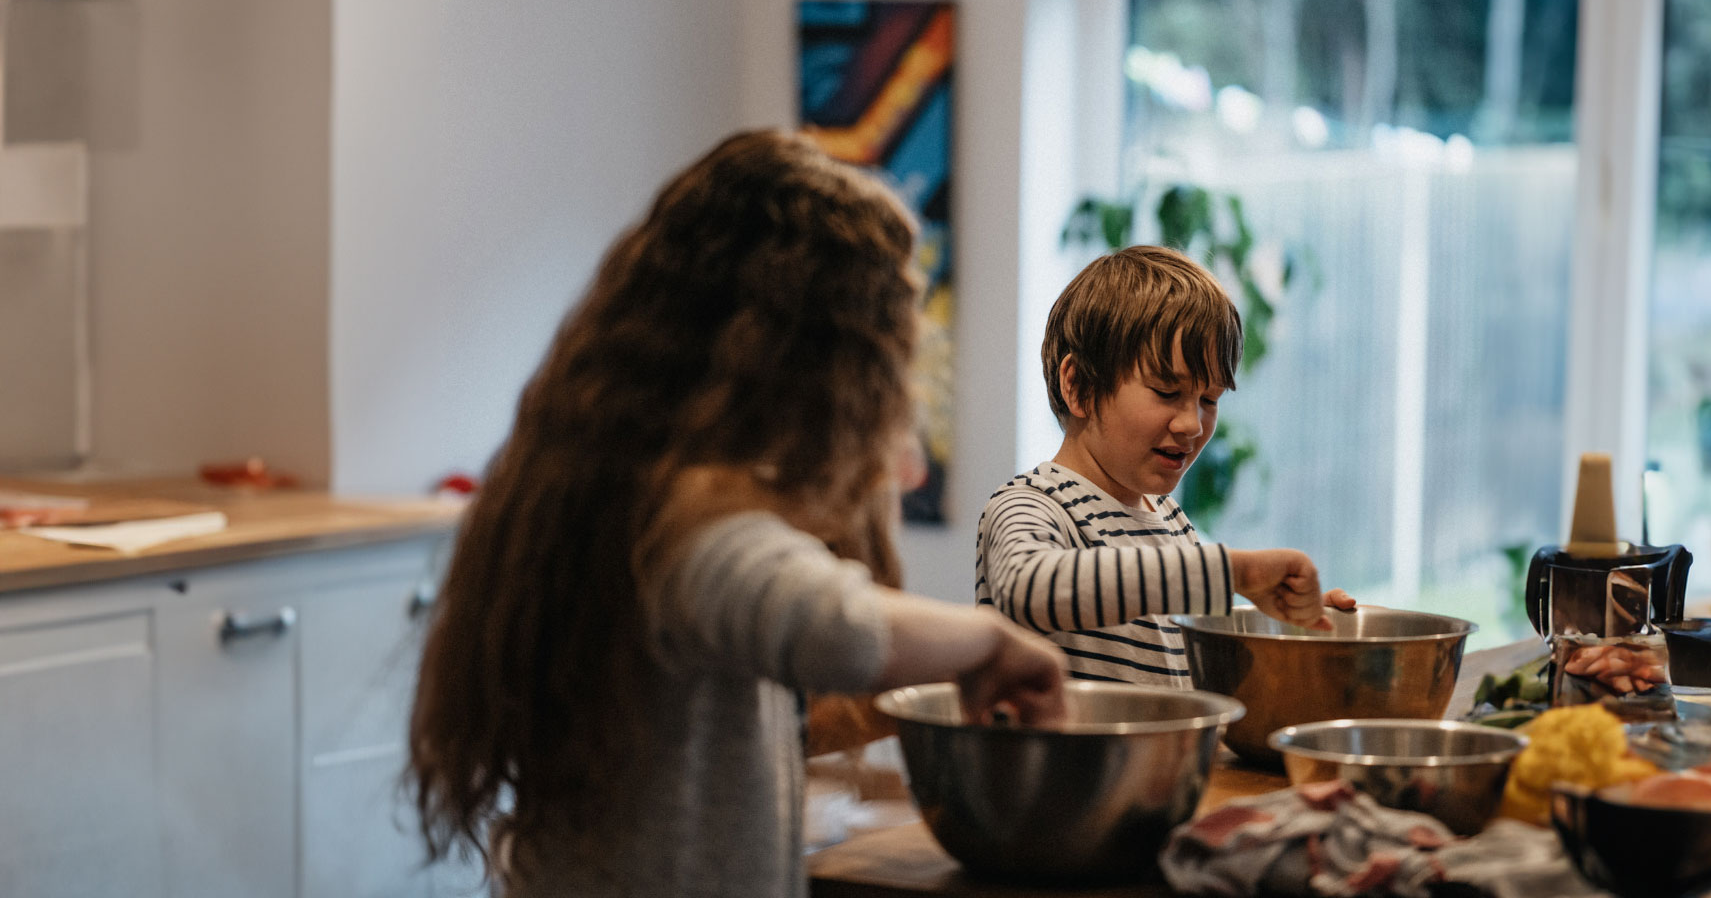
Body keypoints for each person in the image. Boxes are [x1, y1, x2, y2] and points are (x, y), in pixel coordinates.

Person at [408, 130, 1067, 898]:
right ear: (814, 362)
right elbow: (833, 626)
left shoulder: (606, 478)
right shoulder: (684, 520)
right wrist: (991, 642)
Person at [975, 245, 1355, 689]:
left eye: (1209, 400)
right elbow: (1028, 588)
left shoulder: (1171, 520)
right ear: (1078, 386)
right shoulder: (1032, 505)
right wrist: (1234, 572)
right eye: (1166, 391)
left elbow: (1177, 633)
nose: (1193, 424)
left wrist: (1286, 622)